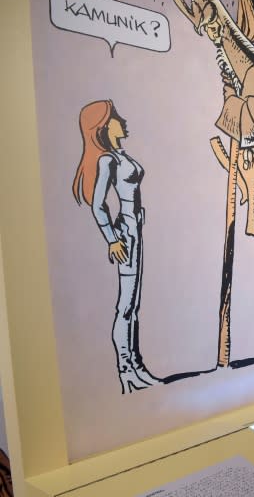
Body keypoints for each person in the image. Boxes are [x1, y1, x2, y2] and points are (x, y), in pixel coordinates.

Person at [72, 100, 160, 393]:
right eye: (116, 117)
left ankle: (136, 365)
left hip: (136, 229)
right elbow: (98, 206)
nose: (123, 121)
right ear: (104, 126)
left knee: (133, 304)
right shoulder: (107, 161)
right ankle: (126, 368)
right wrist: (112, 239)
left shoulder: (121, 157)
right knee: (125, 305)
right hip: (126, 234)